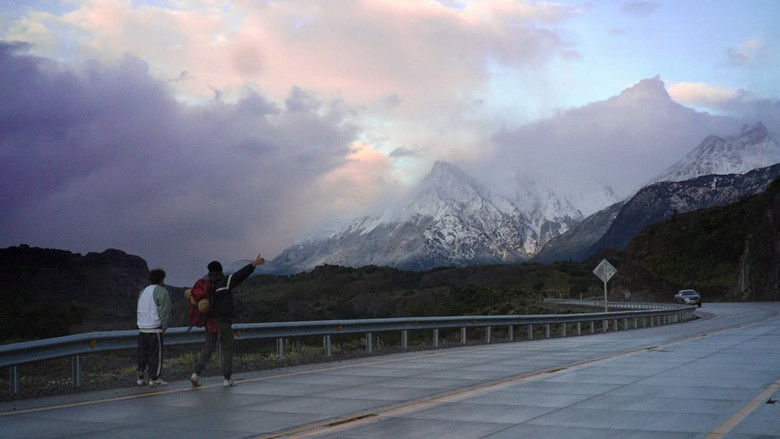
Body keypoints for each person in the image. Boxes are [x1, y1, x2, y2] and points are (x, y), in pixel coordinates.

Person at [191, 253, 265, 387]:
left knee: (207, 348)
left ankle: (196, 374)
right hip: (223, 321)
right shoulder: (225, 282)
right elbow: (239, 276)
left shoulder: (207, 285)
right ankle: (227, 378)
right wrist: (253, 264)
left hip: (209, 322)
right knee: (227, 348)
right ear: (220, 271)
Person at [136, 268, 171, 386]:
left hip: (142, 328)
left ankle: (140, 377)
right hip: (154, 328)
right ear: (161, 279)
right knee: (155, 354)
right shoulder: (162, 291)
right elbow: (164, 312)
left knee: (142, 353)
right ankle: (154, 378)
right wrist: (163, 327)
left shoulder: (143, 291)